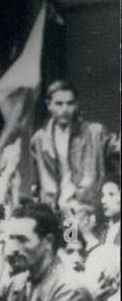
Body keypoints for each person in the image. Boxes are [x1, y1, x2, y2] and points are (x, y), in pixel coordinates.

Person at [30, 80, 111, 210]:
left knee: (71, 230)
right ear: (48, 105)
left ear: (77, 104)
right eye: (59, 104)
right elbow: (36, 182)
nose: (65, 109)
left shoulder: (95, 133)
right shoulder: (40, 139)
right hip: (53, 211)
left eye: (70, 103)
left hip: (84, 210)